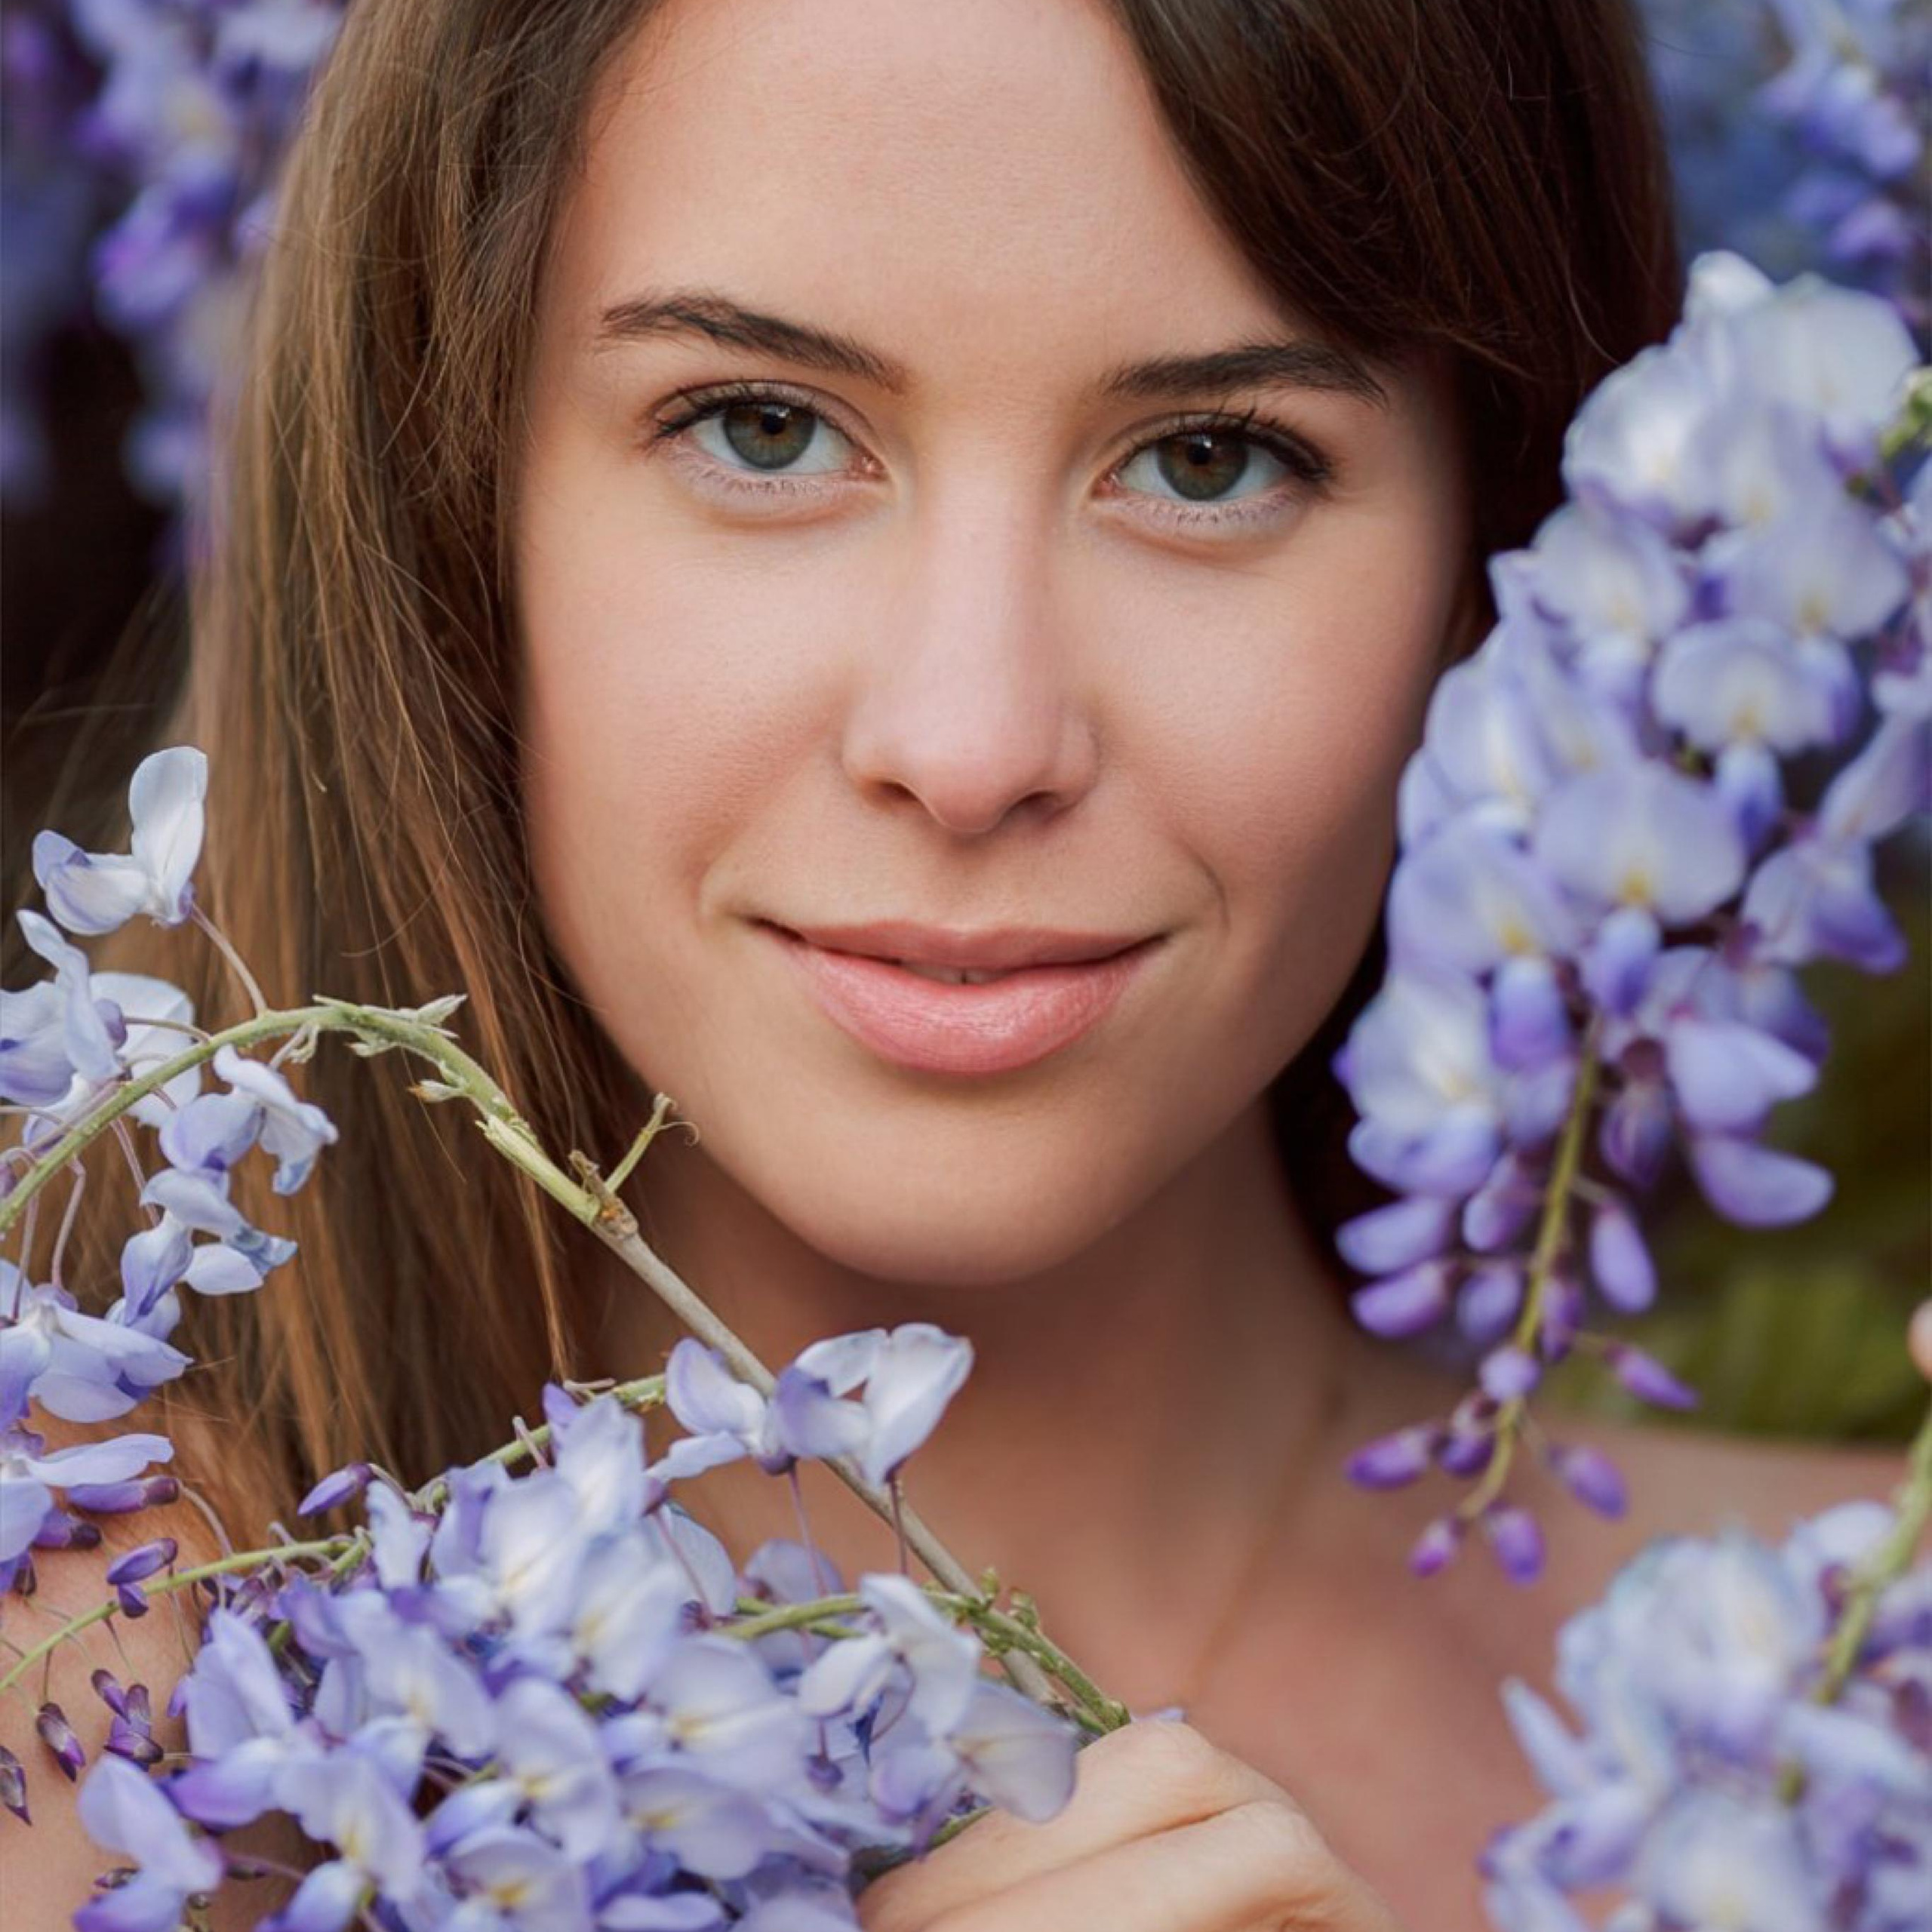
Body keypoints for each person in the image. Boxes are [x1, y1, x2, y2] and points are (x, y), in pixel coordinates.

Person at [4, 1, 1912, 1925]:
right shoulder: (117, 1691)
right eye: (764, 429)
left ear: (1505, 548)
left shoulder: (1867, 1698)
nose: (975, 737)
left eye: (1208, 459)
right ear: (450, 518)